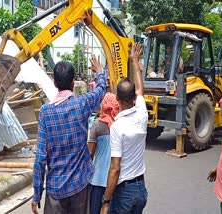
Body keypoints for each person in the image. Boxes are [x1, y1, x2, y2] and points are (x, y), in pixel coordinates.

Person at [31, 55, 106, 214]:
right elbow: (100, 90)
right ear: (73, 82)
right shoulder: (81, 104)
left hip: (56, 190)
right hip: (79, 185)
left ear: (55, 83)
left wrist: (37, 194)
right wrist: (99, 71)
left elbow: (40, 158)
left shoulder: (46, 112)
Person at [100, 43, 148, 214]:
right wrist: (135, 62)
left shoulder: (117, 127)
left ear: (117, 98)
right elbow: (141, 89)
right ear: (133, 98)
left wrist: (105, 201)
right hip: (141, 189)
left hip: (124, 192)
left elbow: (115, 168)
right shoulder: (142, 114)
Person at [88, 92, 119, 214]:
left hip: (97, 179)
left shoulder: (97, 126)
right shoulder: (120, 126)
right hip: (115, 181)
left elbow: (90, 153)